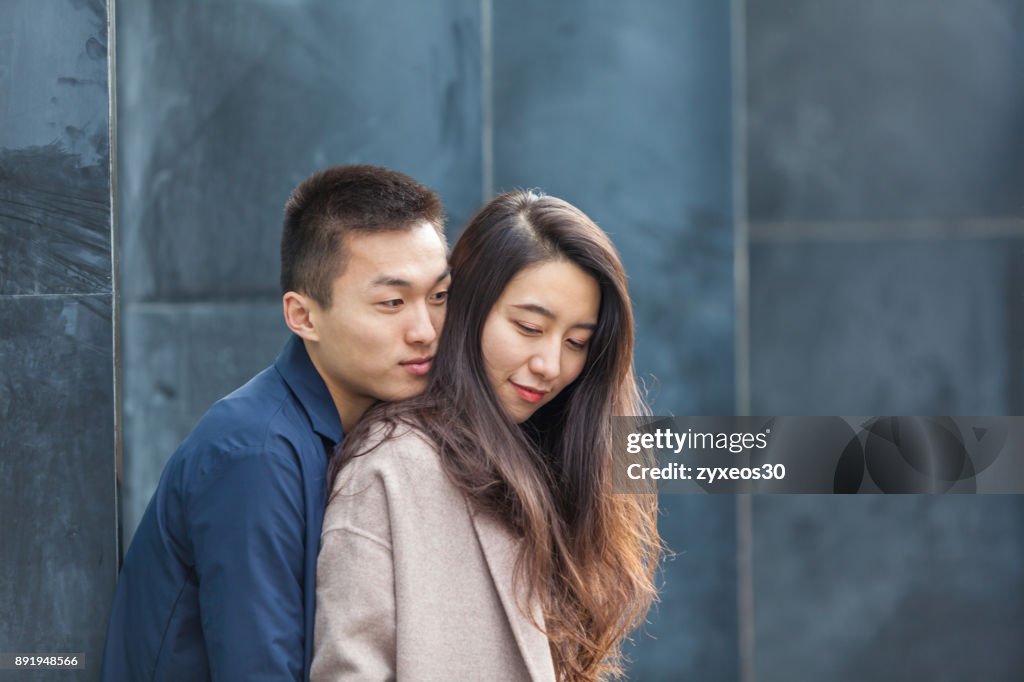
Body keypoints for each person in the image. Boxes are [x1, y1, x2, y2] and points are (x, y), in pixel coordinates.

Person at [101, 165, 451, 681]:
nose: (425, 330)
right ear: (303, 316)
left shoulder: (384, 424)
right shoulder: (255, 454)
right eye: (392, 303)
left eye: (439, 296)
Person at [311, 190, 662, 682]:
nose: (550, 365)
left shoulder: (550, 457)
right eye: (528, 327)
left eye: (577, 342)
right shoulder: (391, 467)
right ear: (468, 310)